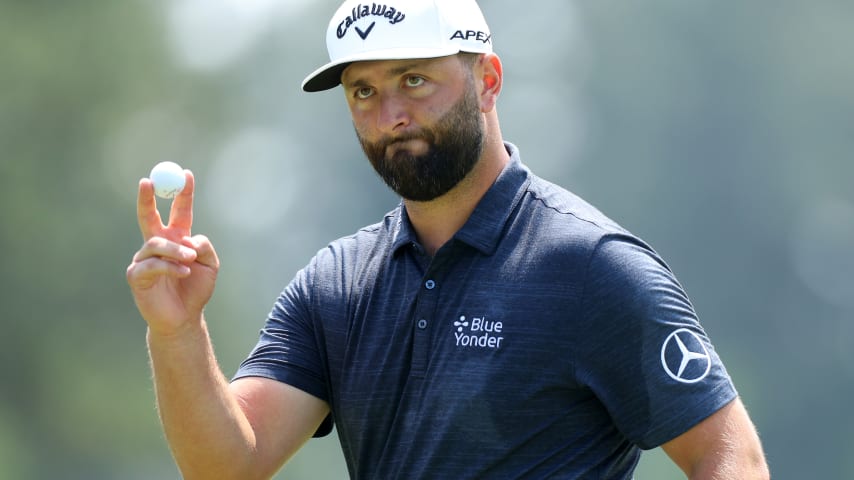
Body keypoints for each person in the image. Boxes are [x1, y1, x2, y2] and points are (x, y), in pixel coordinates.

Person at [126, 0, 770, 478]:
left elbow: (730, 455)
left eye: (414, 80)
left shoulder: (590, 268)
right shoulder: (337, 286)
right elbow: (227, 465)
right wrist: (178, 333)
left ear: (487, 80)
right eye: (363, 92)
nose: (389, 115)